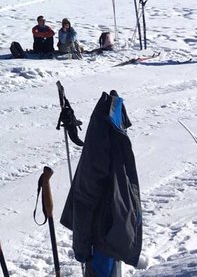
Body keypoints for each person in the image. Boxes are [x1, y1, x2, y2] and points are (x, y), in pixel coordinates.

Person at [60, 90, 144, 276]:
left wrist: (81, 248)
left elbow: (84, 198)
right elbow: (86, 195)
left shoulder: (106, 135)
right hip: (111, 232)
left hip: (104, 237)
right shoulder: (113, 133)